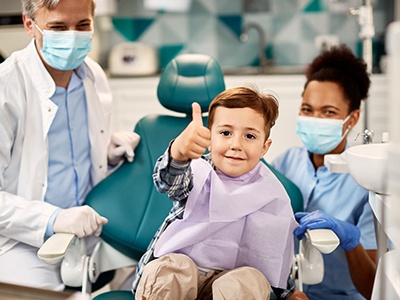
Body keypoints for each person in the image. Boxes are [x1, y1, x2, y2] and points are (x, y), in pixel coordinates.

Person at [0, 0, 140, 291]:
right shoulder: (7, 86)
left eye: (83, 25)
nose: (72, 36)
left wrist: (106, 152)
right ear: (30, 25)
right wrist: (54, 218)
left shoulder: (93, 76)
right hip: (25, 240)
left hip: (90, 231)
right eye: (58, 27)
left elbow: (67, 151)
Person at [131, 86, 299, 300]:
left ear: (264, 147)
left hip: (227, 285)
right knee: (172, 269)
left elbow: (271, 251)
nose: (236, 145)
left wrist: (288, 293)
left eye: (249, 135)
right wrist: (180, 152)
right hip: (180, 282)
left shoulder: (271, 193)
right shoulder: (197, 171)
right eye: (225, 133)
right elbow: (168, 182)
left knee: (251, 280)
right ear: (210, 138)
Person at [270, 45, 377, 300]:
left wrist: (352, 242)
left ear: (352, 119)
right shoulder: (284, 164)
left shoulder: (366, 180)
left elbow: (374, 289)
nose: (315, 118)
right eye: (307, 109)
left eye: (328, 112)